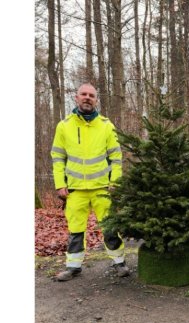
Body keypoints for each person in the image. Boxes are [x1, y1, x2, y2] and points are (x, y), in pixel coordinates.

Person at [50, 83, 129, 281]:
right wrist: (60, 184)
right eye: (83, 94)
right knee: (75, 229)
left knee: (110, 227)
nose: (87, 97)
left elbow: (116, 157)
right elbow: (58, 157)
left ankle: (119, 262)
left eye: (91, 95)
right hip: (75, 189)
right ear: (76, 98)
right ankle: (73, 267)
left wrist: (115, 182)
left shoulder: (106, 125)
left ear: (96, 100)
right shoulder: (64, 126)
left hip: (103, 188)